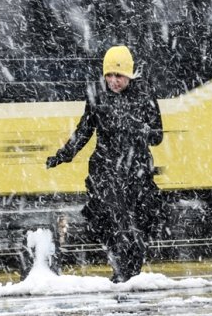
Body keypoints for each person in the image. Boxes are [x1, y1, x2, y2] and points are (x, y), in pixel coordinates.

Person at [45, 45, 165, 283]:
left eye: (118, 75)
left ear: (129, 74)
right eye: (109, 75)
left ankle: (131, 273)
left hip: (136, 170)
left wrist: (142, 130)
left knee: (138, 224)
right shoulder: (96, 94)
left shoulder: (144, 94)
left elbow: (158, 135)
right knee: (113, 221)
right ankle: (121, 271)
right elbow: (84, 129)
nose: (113, 81)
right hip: (106, 169)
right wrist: (63, 155)